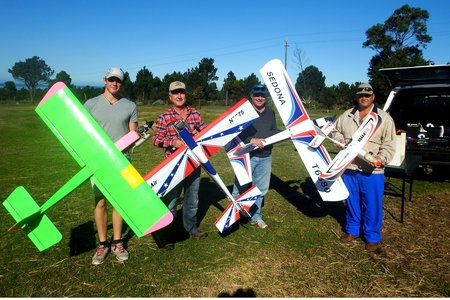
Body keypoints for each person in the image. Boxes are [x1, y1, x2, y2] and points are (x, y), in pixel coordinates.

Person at [331, 83, 396, 252]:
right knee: (351, 201)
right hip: (350, 167)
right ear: (356, 96)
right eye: (361, 95)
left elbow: (389, 145)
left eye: (367, 95)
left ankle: (372, 237)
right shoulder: (346, 116)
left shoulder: (384, 118)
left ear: (373, 97)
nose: (364, 97)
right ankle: (352, 230)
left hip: (372, 171)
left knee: (372, 204)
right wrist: (340, 140)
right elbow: (334, 131)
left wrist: (380, 159)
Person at [84, 67, 137, 265]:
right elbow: (83, 133)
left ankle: (117, 241)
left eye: (119, 80)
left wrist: (134, 138)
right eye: (111, 79)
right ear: (104, 80)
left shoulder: (129, 105)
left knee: (120, 202)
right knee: (100, 202)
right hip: (98, 162)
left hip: (122, 160)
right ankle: (102, 244)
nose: (115, 83)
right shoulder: (90, 104)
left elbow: (133, 133)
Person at [152, 81, 208, 239]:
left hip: (194, 162)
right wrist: (173, 142)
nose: (179, 96)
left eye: (181, 92)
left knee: (192, 198)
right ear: (170, 96)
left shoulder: (195, 114)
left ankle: (191, 228)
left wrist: (198, 136)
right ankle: (166, 233)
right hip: (173, 166)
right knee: (171, 200)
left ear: (185, 94)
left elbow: (206, 133)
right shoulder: (164, 117)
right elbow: (156, 140)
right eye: (175, 93)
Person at [231, 84, 279, 229]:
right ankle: (234, 216)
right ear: (251, 96)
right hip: (246, 156)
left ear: (266, 97)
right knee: (240, 187)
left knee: (260, 189)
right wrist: (251, 140)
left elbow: (273, 131)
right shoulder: (244, 112)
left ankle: (256, 217)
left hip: (266, 156)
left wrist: (287, 134)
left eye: (262, 95)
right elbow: (235, 132)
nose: (259, 98)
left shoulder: (270, 113)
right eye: (256, 95)